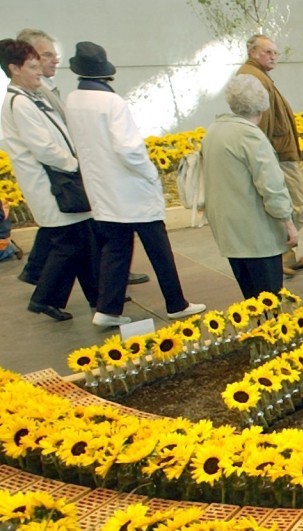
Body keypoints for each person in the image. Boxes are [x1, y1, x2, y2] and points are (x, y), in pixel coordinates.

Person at [64, 42, 204, 327]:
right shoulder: (111, 102)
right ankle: (176, 303)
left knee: (115, 249)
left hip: (101, 190)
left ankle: (107, 309)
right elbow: (128, 149)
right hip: (130, 188)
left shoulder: (73, 99)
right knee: (159, 248)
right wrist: (150, 173)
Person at [14, 29, 147, 290]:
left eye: (55, 55)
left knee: (74, 234)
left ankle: (93, 282)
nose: (53, 61)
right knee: (72, 236)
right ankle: (93, 282)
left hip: (67, 171)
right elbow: (44, 144)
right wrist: (75, 164)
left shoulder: (44, 90)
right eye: (45, 55)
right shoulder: (28, 97)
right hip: (60, 175)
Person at [1, 37, 97, 321]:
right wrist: (76, 164)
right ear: (14, 69)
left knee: (80, 239)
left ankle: (96, 293)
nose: (39, 71)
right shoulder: (20, 103)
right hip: (52, 184)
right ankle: (44, 297)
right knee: (69, 242)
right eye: (32, 66)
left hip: (58, 180)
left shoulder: (31, 97)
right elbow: (44, 148)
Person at [202, 75, 298, 299]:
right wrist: (288, 222)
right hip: (257, 235)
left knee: (251, 301)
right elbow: (272, 187)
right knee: (269, 302)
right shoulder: (251, 136)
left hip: (228, 233)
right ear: (263, 106)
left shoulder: (214, 131)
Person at [238, 34, 303, 277]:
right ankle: (279, 255)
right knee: (295, 205)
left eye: (275, 52)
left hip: (280, 152)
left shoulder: (257, 76)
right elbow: (258, 122)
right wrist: (265, 156)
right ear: (252, 52)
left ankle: (287, 256)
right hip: (278, 154)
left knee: (292, 205)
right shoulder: (253, 77)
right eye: (267, 52)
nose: (273, 56)